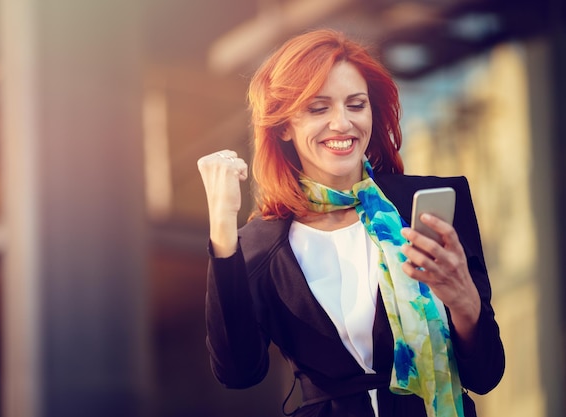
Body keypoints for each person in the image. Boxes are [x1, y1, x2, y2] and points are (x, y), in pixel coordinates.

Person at [197, 29, 504, 417]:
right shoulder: (259, 247)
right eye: (318, 108)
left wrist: (464, 302)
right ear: (284, 126)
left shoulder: (428, 207)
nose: (342, 123)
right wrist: (222, 230)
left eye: (355, 105)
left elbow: (487, 373)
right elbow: (239, 372)